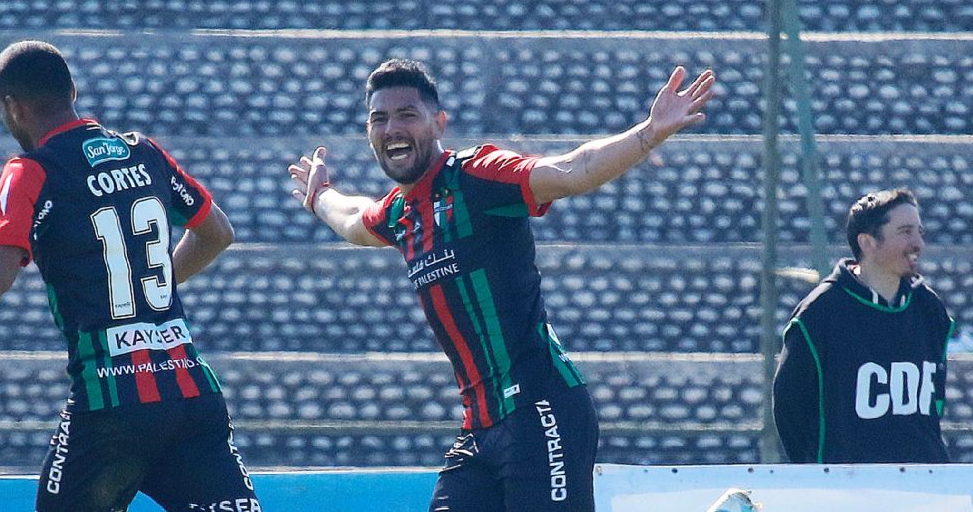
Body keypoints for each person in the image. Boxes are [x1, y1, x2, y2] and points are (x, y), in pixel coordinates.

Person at [289, 59, 714, 511]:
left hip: (542, 409)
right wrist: (320, 197)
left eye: (407, 114)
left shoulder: (476, 175)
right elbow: (353, 219)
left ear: (439, 123)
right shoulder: (400, 213)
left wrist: (649, 133)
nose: (392, 128)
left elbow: (572, 170)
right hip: (479, 427)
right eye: (380, 119)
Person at [0, 41, 259, 512]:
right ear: (73, 92)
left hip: (111, 402)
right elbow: (216, 233)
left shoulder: (32, 171)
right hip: (191, 392)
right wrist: (152, 281)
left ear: (14, 108)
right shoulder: (144, 153)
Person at [774, 188, 955, 464]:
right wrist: (821, 472)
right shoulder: (820, 314)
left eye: (919, 231)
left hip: (923, 482)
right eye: (905, 232)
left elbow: (934, 402)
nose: (918, 243)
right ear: (868, 242)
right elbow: (790, 410)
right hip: (846, 484)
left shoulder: (929, 309)